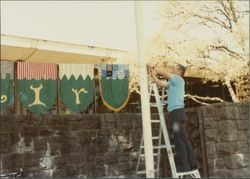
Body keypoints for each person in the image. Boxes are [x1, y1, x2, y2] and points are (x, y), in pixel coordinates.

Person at [147, 64, 198, 172]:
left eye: (174, 68)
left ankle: (185, 166)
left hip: (176, 113)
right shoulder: (173, 83)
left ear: (179, 71)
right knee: (183, 139)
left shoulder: (179, 80)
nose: (172, 70)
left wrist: (154, 68)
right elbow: (160, 83)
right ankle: (193, 163)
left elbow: (165, 74)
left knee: (179, 140)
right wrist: (152, 73)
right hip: (176, 113)